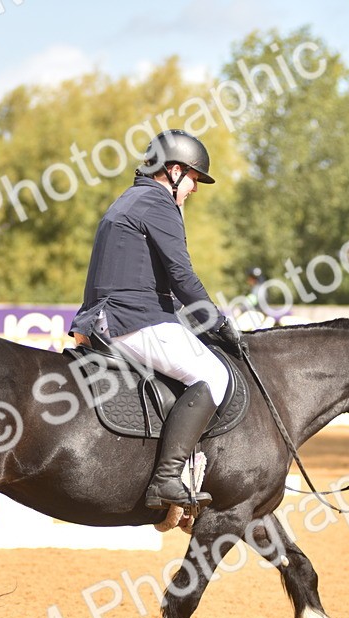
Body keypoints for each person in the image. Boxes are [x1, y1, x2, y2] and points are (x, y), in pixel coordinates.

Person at [70, 129, 241, 511]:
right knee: (214, 375)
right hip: (133, 319)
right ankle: (166, 479)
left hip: (105, 318)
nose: (195, 188)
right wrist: (217, 322)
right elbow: (182, 276)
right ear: (175, 170)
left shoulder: (130, 199)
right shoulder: (158, 202)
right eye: (195, 178)